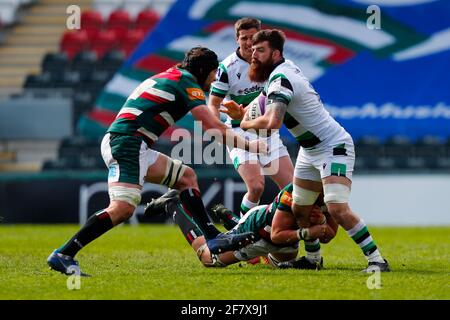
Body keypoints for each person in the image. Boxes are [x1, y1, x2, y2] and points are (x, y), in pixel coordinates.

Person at [47, 47, 267, 276]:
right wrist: (252, 146)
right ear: (202, 70)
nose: (213, 81)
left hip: (134, 143)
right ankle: (64, 254)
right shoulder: (188, 83)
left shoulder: (174, 75)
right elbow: (212, 128)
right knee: (122, 208)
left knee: (186, 177)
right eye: (212, 74)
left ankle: (211, 237)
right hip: (127, 143)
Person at [222, 30, 390, 273]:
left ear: (275, 53)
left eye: (260, 51)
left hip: (334, 146)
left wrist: (244, 123)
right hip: (310, 150)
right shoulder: (280, 73)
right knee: (300, 207)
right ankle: (313, 260)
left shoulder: (281, 79)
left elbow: (273, 123)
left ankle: (377, 260)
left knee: (336, 208)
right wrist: (242, 112)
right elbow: (260, 101)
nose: (253, 55)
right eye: (253, 50)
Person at [208, 17, 293, 218]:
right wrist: (216, 127)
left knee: (292, 189)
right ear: (237, 39)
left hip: (265, 130)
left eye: (252, 38)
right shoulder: (227, 67)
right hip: (239, 131)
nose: (248, 42)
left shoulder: (270, 62)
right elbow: (213, 102)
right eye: (243, 38)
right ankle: (241, 234)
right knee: (256, 187)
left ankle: (279, 232)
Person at [145, 183, 338, 269]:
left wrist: (321, 222)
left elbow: (328, 235)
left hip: (285, 241)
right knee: (208, 258)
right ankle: (172, 206)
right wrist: (308, 232)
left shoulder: (335, 193)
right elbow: (277, 235)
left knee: (281, 262)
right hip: (261, 231)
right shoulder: (294, 191)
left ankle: (231, 220)